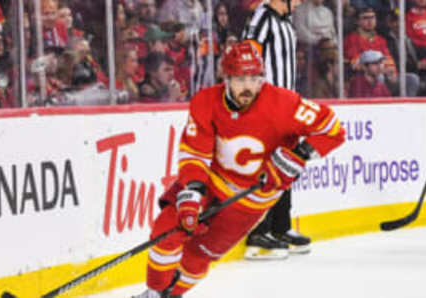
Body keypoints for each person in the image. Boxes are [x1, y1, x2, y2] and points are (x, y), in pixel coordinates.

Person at [131, 41, 345, 298]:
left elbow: (333, 129)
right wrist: (193, 191)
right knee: (166, 231)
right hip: (211, 181)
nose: (248, 86)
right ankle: (154, 293)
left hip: (251, 199)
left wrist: (298, 155)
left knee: (198, 257)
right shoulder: (205, 101)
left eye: (255, 78)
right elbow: (195, 153)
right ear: (227, 78)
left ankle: (171, 294)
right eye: (241, 78)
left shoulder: (283, 103)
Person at [242, 0, 312, 259]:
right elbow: (247, 59)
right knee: (267, 166)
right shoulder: (262, 18)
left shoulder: (285, 21)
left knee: (285, 165)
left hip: (286, 105)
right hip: (266, 106)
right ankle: (259, 230)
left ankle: (281, 227)